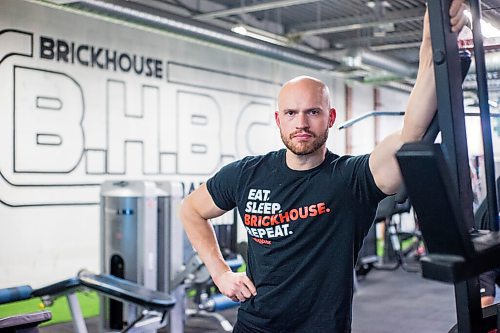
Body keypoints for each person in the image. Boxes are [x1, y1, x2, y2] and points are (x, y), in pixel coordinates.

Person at [180, 1, 468, 332]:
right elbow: (191, 210)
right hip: (253, 326)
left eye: (313, 112)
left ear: (330, 117)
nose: (301, 123)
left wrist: (432, 45)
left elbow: (411, 133)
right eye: (291, 113)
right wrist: (220, 272)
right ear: (278, 120)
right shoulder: (247, 174)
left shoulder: (352, 180)